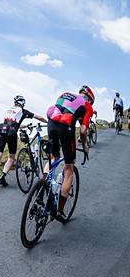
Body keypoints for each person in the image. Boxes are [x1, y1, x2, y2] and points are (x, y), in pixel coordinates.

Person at [45, 86, 93, 220]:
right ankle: (59, 210)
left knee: (54, 157)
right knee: (69, 168)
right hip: (66, 127)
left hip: (51, 122)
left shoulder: (65, 94)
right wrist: (85, 147)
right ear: (90, 99)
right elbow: (83, 131)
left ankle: (43, 186)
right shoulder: (87, 106)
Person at [0, 95, 47, 189]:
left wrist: (25, 126)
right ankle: (2, 177)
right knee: (11, 158)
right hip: (11, 136)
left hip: (2, 133)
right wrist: (47, 122)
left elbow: (13, 124)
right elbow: (37, 117)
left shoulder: (9, 110)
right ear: (22, 104)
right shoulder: (23, 111)